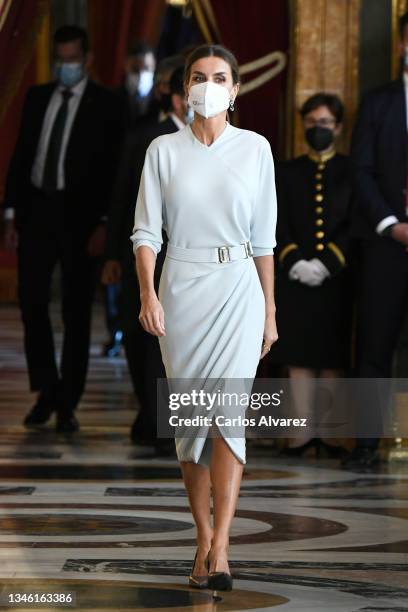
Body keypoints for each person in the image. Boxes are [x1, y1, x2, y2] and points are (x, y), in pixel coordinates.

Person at [130, 44, 277, 591]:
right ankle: (200, 533)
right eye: (199, 76)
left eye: (219, 77)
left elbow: (264, 239)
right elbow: (146, 232)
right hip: (182, 290)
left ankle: (221, 548)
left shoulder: (256, 149)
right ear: (183, 87)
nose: (208, 85)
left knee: (228, 417)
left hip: (239, 289)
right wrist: (149, 295)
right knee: (192, 422)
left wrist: (270, 308)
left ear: (236, 90)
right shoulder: (162, 151)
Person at [2, 25, 124, 433]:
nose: (65, 67)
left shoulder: (107, 104)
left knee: (76, 312)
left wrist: (106, 224)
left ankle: (66, 400)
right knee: (32, 301)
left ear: (87, 60)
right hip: (37, 213)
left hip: (82, 222)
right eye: (60, 60)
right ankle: (47, 387)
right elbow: (22, 156)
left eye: (72, 59)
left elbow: (114, 171)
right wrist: (11, 214)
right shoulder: (38, 97)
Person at [102, 65, 191, 453]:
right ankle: (154, 417)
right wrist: (112, 255)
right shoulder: (147, 138)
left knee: (179, 342)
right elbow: (122, 197)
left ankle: (163, 419)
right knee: (146, 338)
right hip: (148, 253)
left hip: (192, 258)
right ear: (176, 99)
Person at [272, 93, 353, 458]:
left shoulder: (351, 172)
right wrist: (294, 261)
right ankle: (300, 435)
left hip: (336, 280)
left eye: (324, 124)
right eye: (311, 123)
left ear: (337, 127)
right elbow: (276, 223)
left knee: (332, 356)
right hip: (295, 279)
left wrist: (328, 263)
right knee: (300, 356)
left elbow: (354, 225)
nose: (317, 129)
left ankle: (331, 435)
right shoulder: (287, 171)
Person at [346, 11, 408, 469]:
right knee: (374, 345)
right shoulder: (378, 102)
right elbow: (361, 170)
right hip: (386, 243)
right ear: (403, 43)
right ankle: (366, 444)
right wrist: (390, 223)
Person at [118, 40, 157, 128]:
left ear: (154, 66)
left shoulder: (161, 102)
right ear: (125, 66)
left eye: (147, 68)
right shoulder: (112, 99)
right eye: (135, 69)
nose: (141, 75)